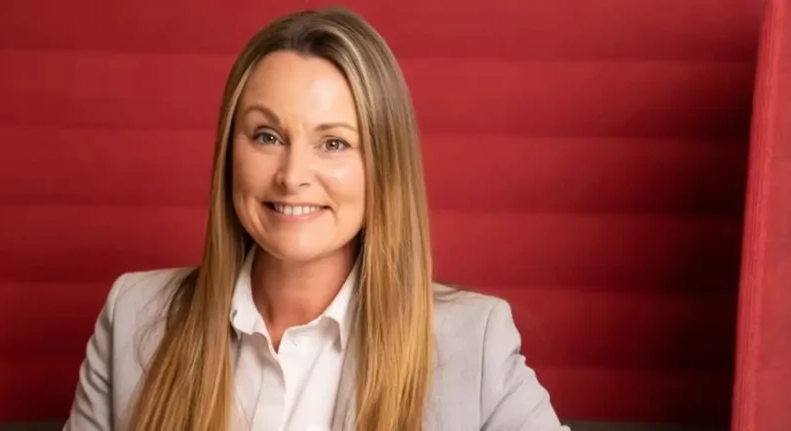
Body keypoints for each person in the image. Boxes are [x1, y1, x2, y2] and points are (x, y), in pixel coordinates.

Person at [62, 7, 568, 431]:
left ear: (383, 167)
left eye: (334, 143)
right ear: (228, 153)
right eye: (266, 136)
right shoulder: (132, 317)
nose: (292, 175)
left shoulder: (473, 343)